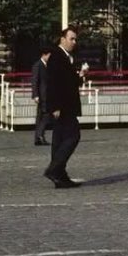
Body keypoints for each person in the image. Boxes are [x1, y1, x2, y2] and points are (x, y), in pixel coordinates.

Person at [43, 25, 83, 188]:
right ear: (63, 39)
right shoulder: (57, 57)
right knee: (73, 136)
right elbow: (52, 83)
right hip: (63, 106)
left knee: (59, 140)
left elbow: (69, 82)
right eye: (71, 38)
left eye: (75, 39)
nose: (74, 42)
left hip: (65, 105)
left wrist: (80, 76)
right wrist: (55, 107)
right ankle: (54, 169)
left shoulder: (66, 57)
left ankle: (60, 176)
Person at [31, 46, 51, 145]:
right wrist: (35, 95)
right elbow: (34, 81)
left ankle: (38, 138)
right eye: (49, 56)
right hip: (42, 95)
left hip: (46, 94)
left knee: (40, 117)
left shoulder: (47, 65)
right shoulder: (38, 65)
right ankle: (40, 135)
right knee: (46, 115)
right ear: (44, 55)